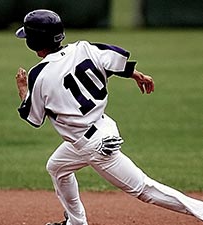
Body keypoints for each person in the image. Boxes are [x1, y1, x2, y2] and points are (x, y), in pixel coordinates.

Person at [15, 9, 203, 225]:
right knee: (56, 167)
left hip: (93, 145)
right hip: (101, 128)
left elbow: (33, 117)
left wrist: (23, 89)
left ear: (35, 41)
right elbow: (114, 59)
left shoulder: (39, 73)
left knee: (144, 189)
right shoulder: (83, 48)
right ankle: (76, 222)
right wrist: (136, 74)